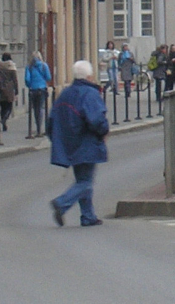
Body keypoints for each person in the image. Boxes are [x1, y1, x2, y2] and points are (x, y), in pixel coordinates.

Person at [47, 60, 109, 228]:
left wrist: (58, 141)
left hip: (70, 144)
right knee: (85, 182)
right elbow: (96, 120)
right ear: (89, 76)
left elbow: (51, 121)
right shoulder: (89, 94)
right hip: (87, 142)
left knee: (83, 179)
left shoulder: (65, 94)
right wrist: (104, 132)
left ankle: (88, 216)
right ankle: (62, 203)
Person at [25, 51, 52, 137]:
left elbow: (27, 79)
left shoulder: (29, 67)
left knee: (35, 109)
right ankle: (40, 129)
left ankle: (38, 127)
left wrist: (30, 85)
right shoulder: (44, 66)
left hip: (33, 90)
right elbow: (48, 77)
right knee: (41, 107)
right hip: (42, 89)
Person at [0, 52, 19, 131]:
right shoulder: (12, 66)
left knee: (2, 106)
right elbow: (15, 80)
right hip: (9, 89)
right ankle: (4, 119)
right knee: (9, 106)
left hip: (0, 88)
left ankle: (3, 118)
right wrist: (16, 91)